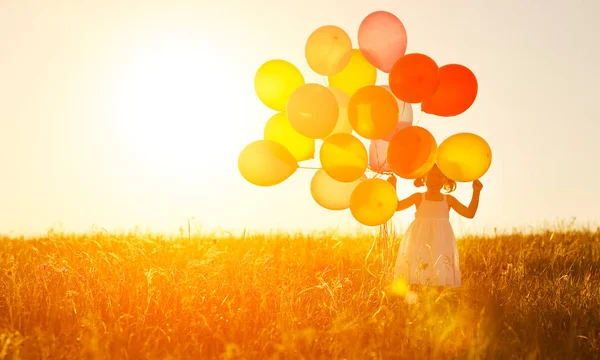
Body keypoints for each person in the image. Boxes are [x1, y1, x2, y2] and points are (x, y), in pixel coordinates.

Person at [387, 164, 483, 289]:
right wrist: (393, 186)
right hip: (420, 241)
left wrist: (476, 192)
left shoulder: (448, 200)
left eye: (439, 176)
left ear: (445, 179)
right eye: (431, 175)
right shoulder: (418, 197)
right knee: (417, 272)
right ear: (424, 177)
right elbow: (397, 206)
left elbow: (469, 213)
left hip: (441, 242)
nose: (435, 180)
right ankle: (418, 301)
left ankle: (435, 301)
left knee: (439, 274)